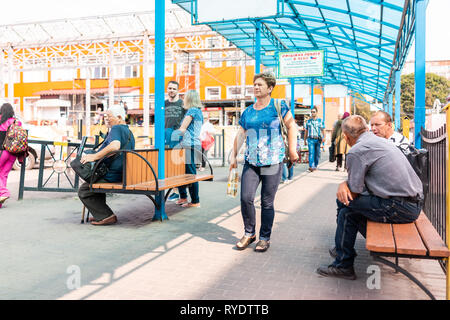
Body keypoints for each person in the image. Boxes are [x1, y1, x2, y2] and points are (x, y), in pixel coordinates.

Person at [316, 115, 423, 280]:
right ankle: (342, 252)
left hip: (399, 207)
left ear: (346, 137)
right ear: (366, 129)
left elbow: (354, 191)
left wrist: (342, 185)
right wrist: (347, 185)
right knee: (349, 212)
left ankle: (343, 262)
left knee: (345, 205)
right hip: (411, 203)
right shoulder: (379, 141)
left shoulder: (357, 151)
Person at [229, 72, 299, 253]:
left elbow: (292, 126)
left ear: (270, 88)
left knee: (267, 202)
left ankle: (264, 237)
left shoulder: (279, 106)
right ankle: (249, 233)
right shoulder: (248, 112)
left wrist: (292, 150)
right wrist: (233, 155)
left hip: (273, 161)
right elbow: (241, 134)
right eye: (255, 84)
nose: (256, 87)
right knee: (246, 198)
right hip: (251, 161)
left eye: (260, 84)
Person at [77, 105, 135, 225]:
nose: (106, 119)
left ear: (119, 117)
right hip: (122, 173)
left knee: (84, 190)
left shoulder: (117, 128)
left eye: (108, 116)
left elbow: (115, 146)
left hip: (112, 175)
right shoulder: (128, 132)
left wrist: (94, 156)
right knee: (93, 185)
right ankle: (100, 214)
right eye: (105, 116)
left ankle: (107, 216)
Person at [171, 90, 204, 208]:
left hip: (188, 145)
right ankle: (184, 197)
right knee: (185, 172)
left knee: (190, 174)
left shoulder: (192, 111)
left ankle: (195, 201)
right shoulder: (199, 111)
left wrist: (175, 137)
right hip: (193, 145)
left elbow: (183, 128)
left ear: (189, 99)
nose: (183, 99)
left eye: (185, 97)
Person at [0, 103, 27, 207]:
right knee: (3, 175)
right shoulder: (17, 122)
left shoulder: (1, 121)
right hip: (14, 152)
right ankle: (0, 202)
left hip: (3, 152)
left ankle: (4, 192)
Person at [164, 80, 186, 202]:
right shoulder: (164, 104)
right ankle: (174, 191)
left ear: (177, 90)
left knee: (177, 163)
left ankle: (179, 192)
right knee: (168, 163)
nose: (171, 90)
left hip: (177, 135)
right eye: (170, 88)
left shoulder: (182, 104)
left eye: (174, 89)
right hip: (166, 134)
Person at [304, 106, 325, 172]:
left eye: (314, 112)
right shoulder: (308, 121)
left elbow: (323, 130)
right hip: (310, 139)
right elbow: (306, 131)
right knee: (311, 153)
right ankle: (311, 166)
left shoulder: (320, 121)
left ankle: (315, 165)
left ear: (316, 112)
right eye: (311, 112)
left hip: (318, 139)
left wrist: (324, 137)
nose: (312, 113)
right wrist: (305, 140)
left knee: (317, 154)